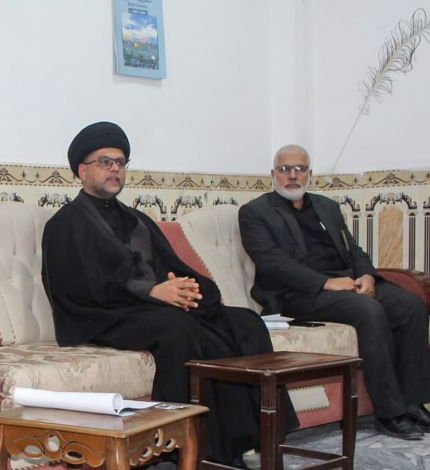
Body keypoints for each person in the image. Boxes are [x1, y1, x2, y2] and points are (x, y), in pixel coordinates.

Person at [41, 121, 297, 469]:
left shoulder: (137, 219)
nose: (115, 169)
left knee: (246, 322)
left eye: (120, 162)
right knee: (178, 328)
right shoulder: (64, 224)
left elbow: (173, 266)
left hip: (150, 308)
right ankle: (191, 446)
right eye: (105, 162)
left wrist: (191, 291)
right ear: (82, 171)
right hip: (101, 316)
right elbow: (81, 287)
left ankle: (263, 435)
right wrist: (152, 291)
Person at [238, 144, 430, 440]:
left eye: (299, 169)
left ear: (309, 174)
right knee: (368, 310)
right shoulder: (255, 212)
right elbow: (272, 262)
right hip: (297, 295)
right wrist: (325, 283)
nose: (292, 175)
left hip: (345, 284)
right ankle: (389, 412)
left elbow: (353, 249)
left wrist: (367, 276)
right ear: (273, 174)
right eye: (285, 169)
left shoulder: (326, 206)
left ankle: (413, 403)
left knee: (411, 304)